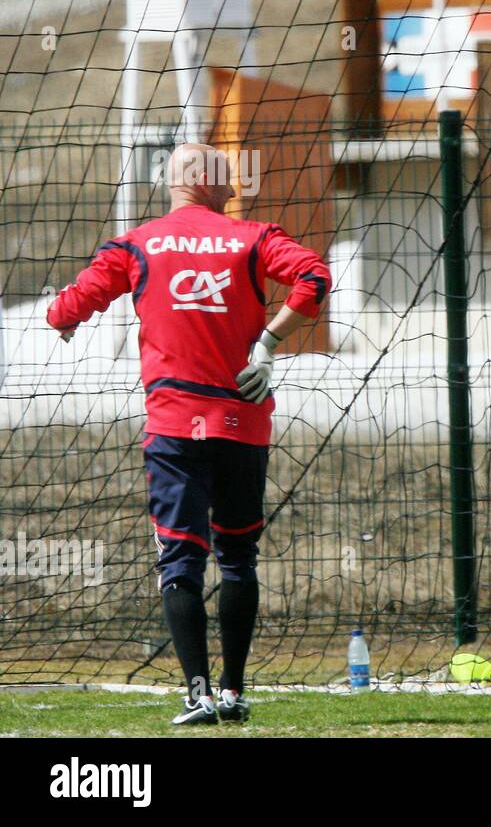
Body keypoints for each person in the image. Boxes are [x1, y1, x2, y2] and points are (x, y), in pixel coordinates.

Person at [47, 142, 331, 725]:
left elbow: (71, 305)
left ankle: (196, 693)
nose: (234, 181)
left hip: (174, 428)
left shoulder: (136, 244)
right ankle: (232, 691)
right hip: (241, 422)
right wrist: (268, 345)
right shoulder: (253, 238)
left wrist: (64, 319)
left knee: (180, 559)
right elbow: (315, 277)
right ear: (207, 180)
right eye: (226, 173)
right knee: (238, 556)